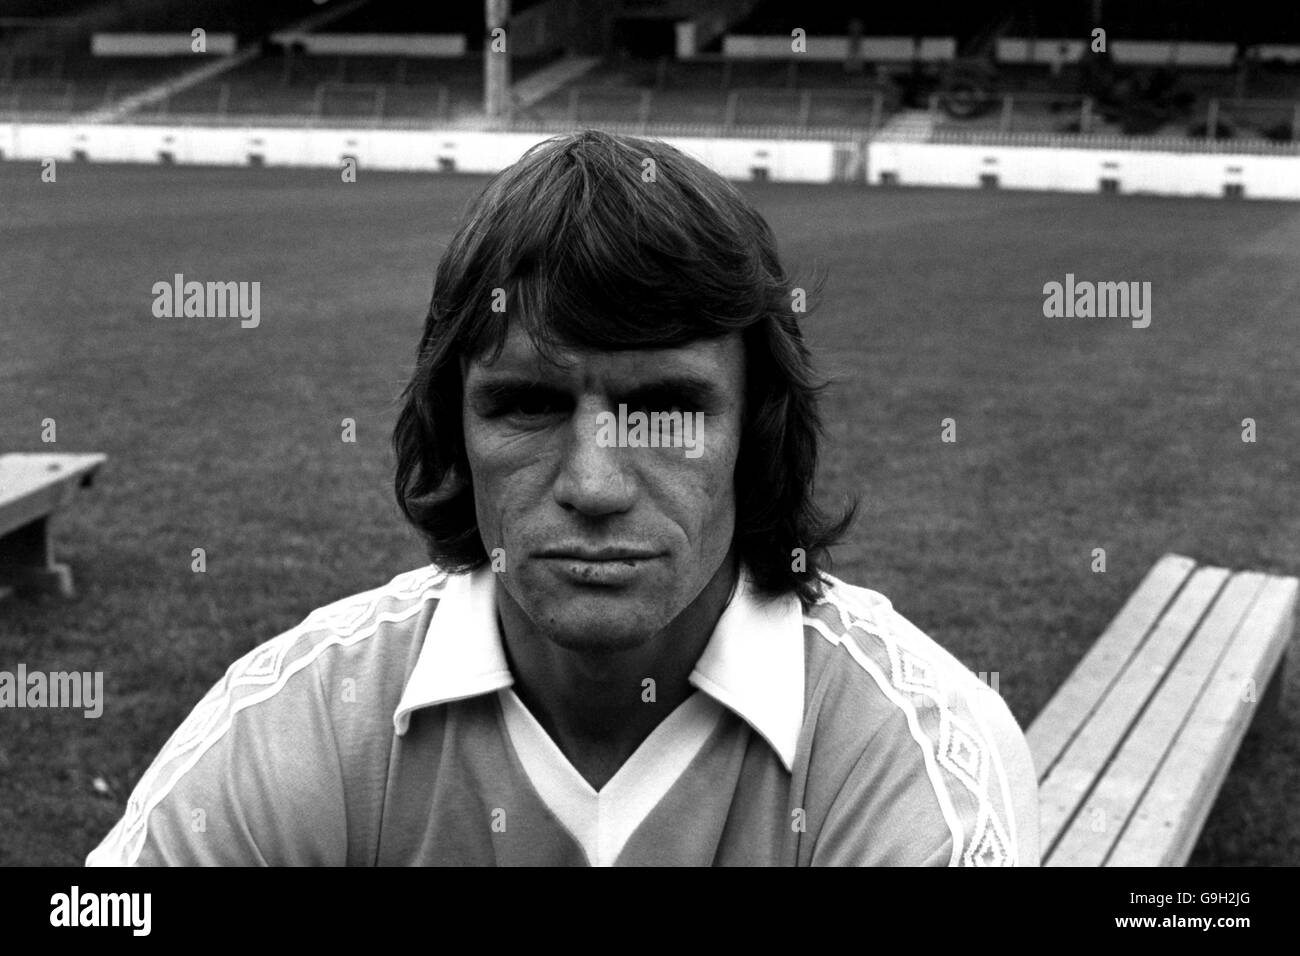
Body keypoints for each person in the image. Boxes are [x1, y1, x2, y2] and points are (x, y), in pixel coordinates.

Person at [88, 129, 1039, 867]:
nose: (594, 484)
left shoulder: (903, 750)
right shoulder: (304, 720)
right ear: (452, 428)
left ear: (757, 433)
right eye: (529, 405)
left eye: (665, 408)